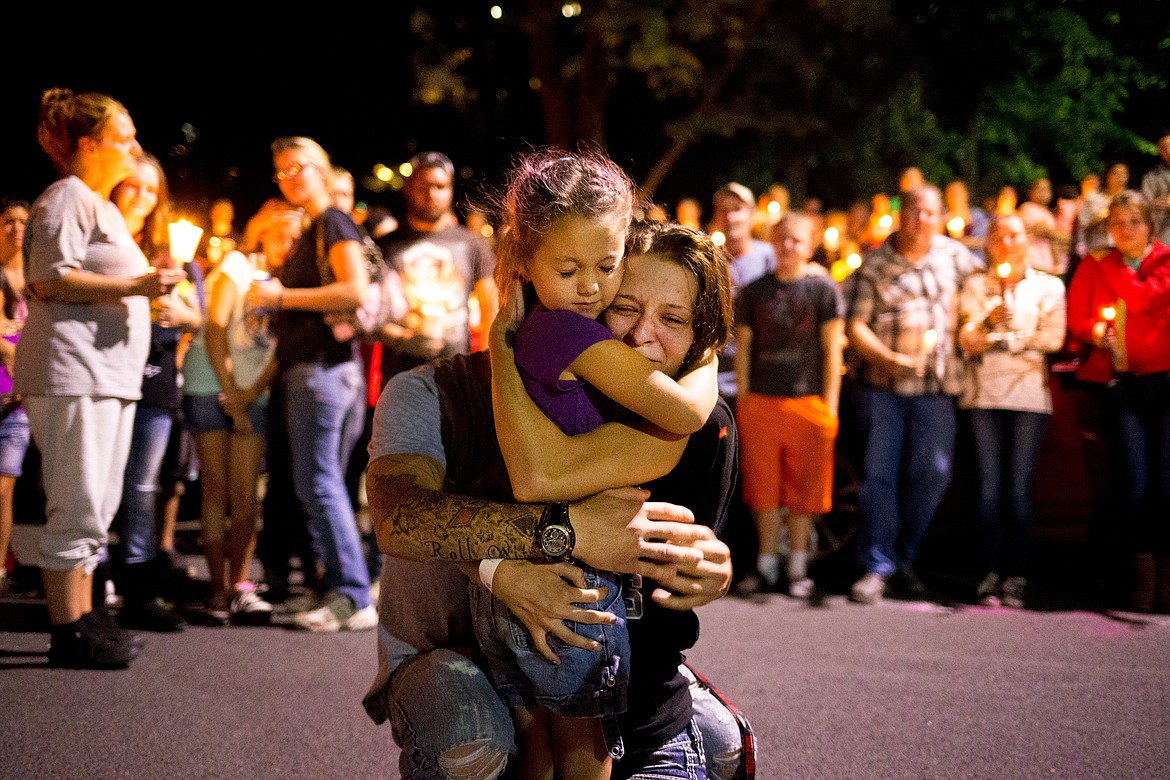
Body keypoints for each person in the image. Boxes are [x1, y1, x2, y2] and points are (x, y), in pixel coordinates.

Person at [363, 220, 749, 778]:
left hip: (634, 684)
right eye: (626, 307)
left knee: (717, 745)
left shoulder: (698, 422)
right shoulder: (432, 391)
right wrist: (508, 565)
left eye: (673, 319)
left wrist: (714, 569)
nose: (642, 336)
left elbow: (681, 571)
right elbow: (402, 517)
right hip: (457, 653)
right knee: (473, 740)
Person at [474, 149, 719, 778]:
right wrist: (711, 356)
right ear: (525, 261)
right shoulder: (571, 333)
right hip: (571, 571)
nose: (590, 288)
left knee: (544, 744)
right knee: (588, 749)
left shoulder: (530, 329)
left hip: (529, 567)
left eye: (606, 268)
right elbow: (684, 413)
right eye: (571, 269)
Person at [16, 88, 186, 668]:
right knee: (78, 501)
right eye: (124, 135)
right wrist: (136, 288)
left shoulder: (99, 204)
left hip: (105, 376)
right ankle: (68, 629)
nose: (135, 146)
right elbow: (47, 279)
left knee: (98, 503)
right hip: (73, 372)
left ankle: (87, 616)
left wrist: (146, 293)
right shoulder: (66, 197)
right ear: (90, 145)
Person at [248, 136, 376, 632]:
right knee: (321, 484)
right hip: (328, 371)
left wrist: (282, 297)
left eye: (297, 166)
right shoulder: (318, 226)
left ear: (323, 167)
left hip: (322, 370)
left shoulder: (332, 222)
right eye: (280, 172)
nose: (289, 178)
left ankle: (351, 595)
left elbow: (353, 289)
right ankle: (343, 589)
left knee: (319, 483)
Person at [842, 184, 984, 604]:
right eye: (914, 212)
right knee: (878, 478)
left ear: (939, 217)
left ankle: (904, 556)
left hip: (936, 388)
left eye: (929, 212)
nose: (921, 220)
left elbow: (983, 287)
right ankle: (877, 566)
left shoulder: (954, 256)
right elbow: (856, 327)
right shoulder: (876, 263)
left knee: (934, 472)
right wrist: (888, 358)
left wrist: (977, 316)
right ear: (901, 215)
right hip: (883, 387)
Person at [181, 200, 292, 626]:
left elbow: (281, 354)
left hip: (249, 394)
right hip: (211, 384)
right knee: (216, 491)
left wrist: (248, 398)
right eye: (280, 232)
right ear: (263, 231)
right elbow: (213, 330)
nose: (288, 242)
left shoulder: (288, 285)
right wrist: (233, 396)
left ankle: (239, 585)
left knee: (246, 496)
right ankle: (216, 591)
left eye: (295, 236)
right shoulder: (236, 266)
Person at [108, 152, 204, 633]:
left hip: (154, 382)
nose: (142, 197)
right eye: (133, 186)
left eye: (151, 189)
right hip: (106, 374)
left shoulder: (171, 250)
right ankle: (89, 581)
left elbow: (198, 315)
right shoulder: (105, 238)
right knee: (100, 485)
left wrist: (180, 315)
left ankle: (138, 587)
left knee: (142, 487)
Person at [1065, 190, 1170, 613]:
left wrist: (1112, 266)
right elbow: (1076, 316)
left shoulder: (1163, 261)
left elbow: (1145, 299)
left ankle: (1168, 580)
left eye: (1134, 222)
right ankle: (1143, 579)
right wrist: (1094, 333)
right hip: (1121, 385)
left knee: (1167, 481)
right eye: (1118, 223)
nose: (1125, 231)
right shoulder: (1094, 266)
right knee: (1135, 481)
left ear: (1150, 226)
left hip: (1165, 384)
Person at [956, 214, 1067, 608]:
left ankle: (1016, 575)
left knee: (1018, 486)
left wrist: (1009, 341)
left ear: (1027, 240)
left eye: (1013, 235)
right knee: (988, 485)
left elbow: (1053, 336)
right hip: (984, 395)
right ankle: (987, 573)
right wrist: (987, 324)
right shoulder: (975, 286)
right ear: (988, 244)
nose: (1006, 242)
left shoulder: (1048, 286)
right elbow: (967, 340)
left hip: (1028, 398)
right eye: (998, 236)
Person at [733, 212, 845, 598]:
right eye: (781, 239)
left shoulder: (824, 291)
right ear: (772, 242)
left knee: (804, 493)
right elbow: (743, 348)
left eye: (796, 240)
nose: (788, 246)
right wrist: (745, 399)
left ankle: (797, 568)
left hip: (809, 402)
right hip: (762, 401)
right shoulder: (754, 291)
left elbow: (833, 351)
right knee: (763, 490)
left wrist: (830, 408)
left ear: (809, 246)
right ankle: (766, 565)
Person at [374, 150, 498, 385]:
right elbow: (370, 314)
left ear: (451, 190)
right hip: (400, 375)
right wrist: (401, 339)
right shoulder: (385, 246)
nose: (432, 194)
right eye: (423, 186)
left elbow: (490, 308)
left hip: (456, 374)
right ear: (408, 189)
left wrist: (488, 367)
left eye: (440, 187)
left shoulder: (471, 244)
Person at [0, 197, 29, 596]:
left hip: (17, 402)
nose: (17, 228)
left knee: (4, 489)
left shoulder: (35, 278)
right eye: (8, 221)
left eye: (24, 221)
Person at [1017, 177, 1071, 277]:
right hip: (1034, 264)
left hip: (1048, 267)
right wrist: (1069, 239)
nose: (1044, 193)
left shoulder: (1048, 213)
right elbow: (1045, 231)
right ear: (1031, 191)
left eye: (1047, 189)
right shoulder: (1028, 208)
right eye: (1040, 189)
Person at [1140, 132, 1170, 246]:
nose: (1168, 149)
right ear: (1159, 152)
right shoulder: (1153, 176)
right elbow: (1145, 204)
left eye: (1169, 144)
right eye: (1163, 147)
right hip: (1164, 230)